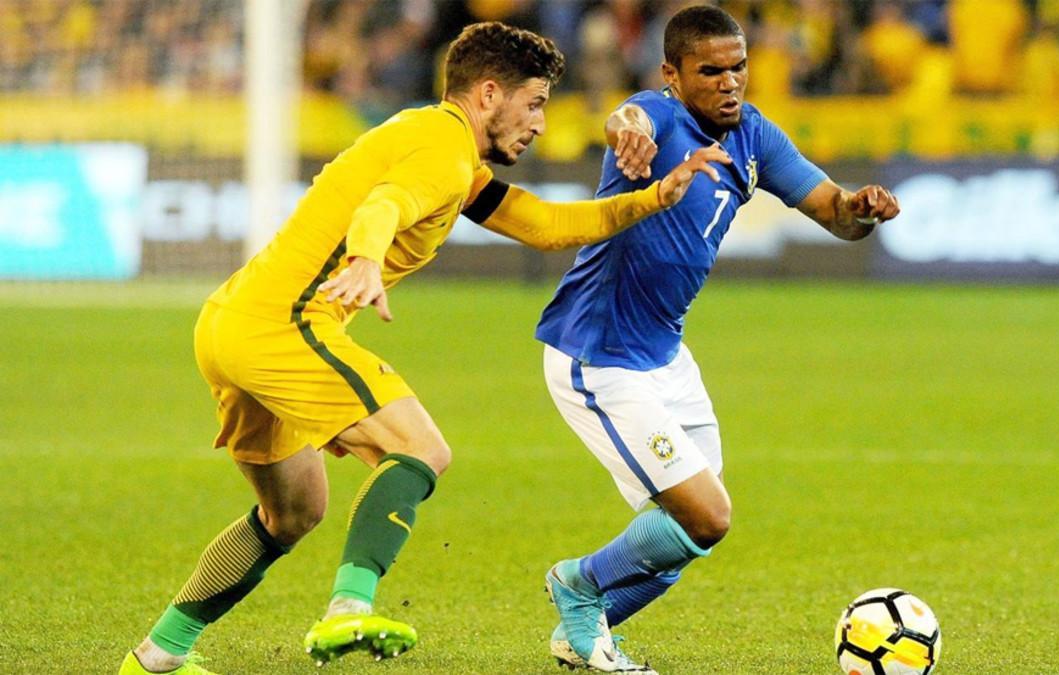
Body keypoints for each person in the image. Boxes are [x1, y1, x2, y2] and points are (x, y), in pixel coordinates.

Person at [119, 21, 730, 675]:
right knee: (421, 447)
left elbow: (544, 223)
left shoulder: (444, 150)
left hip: (229, 324)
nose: (540, 124)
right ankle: (348, 607)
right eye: (535, 103)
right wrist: (365, 258)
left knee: (293, 510)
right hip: (283, 326)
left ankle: (158, 654)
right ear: (489, 94)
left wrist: (652, 198)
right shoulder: (440, 150)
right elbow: (383, 207)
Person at [531, 6, 900, 673]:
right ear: (672, 73)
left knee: (686, 535)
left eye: (739, 68)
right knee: (703, 516)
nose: (730, 83)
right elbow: (628, 118)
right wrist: (628, 135)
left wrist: (861, 210)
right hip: (600, 356)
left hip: (666, 354)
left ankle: (585, 629)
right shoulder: (659, 119)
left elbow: (835, 215)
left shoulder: (754, 137)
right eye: (711, 71)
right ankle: (576, 584)